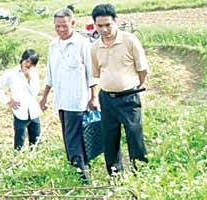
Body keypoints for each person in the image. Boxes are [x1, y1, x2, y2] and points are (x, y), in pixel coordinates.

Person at [39, 7, 97, 183]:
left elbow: (91, 73)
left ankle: (81, 173)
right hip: (61, 100)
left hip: (77, 99)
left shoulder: (82, 43)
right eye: (57, 26)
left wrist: (93, 97)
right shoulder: (53, 45)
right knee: (69, 135)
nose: (61, 30)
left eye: (64, 26)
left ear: (73, 23)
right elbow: (50, 74)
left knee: (74, 137)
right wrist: (44, 97)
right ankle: (80, 167)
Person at [91, 4, 149, 175]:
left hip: (129, 97)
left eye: (108, 25)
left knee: (134, 134)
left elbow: (142, 69)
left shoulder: (129, 40)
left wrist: (133, 86)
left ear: (115, 21)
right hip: (107, 98)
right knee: (109, 137)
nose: (104, 29)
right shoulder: (94, 47)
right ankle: (115, 174)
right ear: (95, 25)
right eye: (100, 26)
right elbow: (96, 73)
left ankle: (141, 172)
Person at [0, 49, 41, 150]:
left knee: (36, 141)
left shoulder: (34, 73)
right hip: (20, 112)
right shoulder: (11, 73)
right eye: (27, 61)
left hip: (33, 111)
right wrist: (8, 101)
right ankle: (17, 160)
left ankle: (33, 158)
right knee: (19, 141)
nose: (28, 65)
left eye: (32, 63)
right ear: (22, 59)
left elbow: (35, 92)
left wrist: (29, 79)